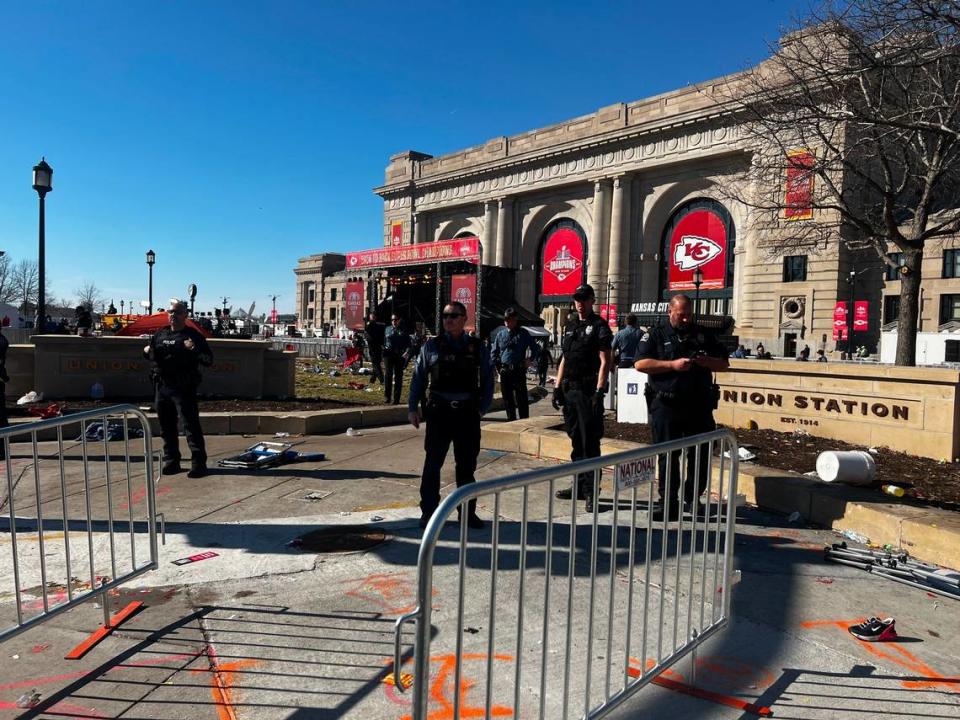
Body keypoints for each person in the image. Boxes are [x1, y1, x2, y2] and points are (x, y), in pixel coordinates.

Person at [634, 294, 730, 521]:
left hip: (698, 406)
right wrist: (672, 365)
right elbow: (640, 363)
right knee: (668, 456)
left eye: (689, 315)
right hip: (666, 404)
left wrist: (708, 362)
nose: (686, 319)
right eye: (681, 315)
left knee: (699, 456)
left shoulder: (703, 334)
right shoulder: (656, 334)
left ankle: (692, 499)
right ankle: (668, 502)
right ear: (670, 312)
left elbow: (724, 363)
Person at [408, 301, 494, 529]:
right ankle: (429, 513)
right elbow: (418, 377)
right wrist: (412, 407)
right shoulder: (432, 346)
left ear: (465, 319)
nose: (448, 319)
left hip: (467, 414)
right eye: (445, 316)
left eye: (454, 315)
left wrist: (482, 408)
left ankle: (467, 513)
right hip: (439, 413)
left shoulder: (477, 347)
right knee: (432, 465)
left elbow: (487, 380)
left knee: (466, 467)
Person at [552, 284, 613, 512]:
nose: (580, 302)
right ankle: (578, 485)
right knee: (576, 440)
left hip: (589, 392)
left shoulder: (599, 326)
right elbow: (565, 359)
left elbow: (605, 360)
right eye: (577, 298)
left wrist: (599, 390)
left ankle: (591, 491)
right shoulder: (570, 325)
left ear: (592, 300)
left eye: (584, 299)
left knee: (590, 443)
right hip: (570, 390)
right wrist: (558, 386)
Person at [144, 299, 213, 478]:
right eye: (170, 312)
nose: (172, 315)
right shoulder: (160, 334)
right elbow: (153, 354)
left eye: (177, 312)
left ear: (185, 315)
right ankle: (172, 461)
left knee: (190, 425)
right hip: (162, 386)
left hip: (183, 387)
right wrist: (146, 352)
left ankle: (199, 463)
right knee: (166, 426)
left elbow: (208, 360)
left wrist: (193, 349)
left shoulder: (193, 335)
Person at [490, 308, 539, 421]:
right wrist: (498, 367)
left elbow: (535, 348)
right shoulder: (500, 334)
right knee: (507, 399)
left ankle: (523, 421)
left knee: (521, 398)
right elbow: (494, 352)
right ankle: (510, 420)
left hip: (518, 370)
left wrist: (530, 359)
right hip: (505, 371)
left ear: (515, 320)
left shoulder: (523, 333)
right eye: (505, 319)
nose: (507, 322)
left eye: (509, 319)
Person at [383, 313, 412, 404]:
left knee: (398, 376)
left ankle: (396, 398)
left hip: (399, 355)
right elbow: (384, 340)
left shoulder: (404, 330)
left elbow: (408, 344)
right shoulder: (387, 329)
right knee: (388, 375)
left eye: (395, 320)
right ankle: (387, 397)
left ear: (399, 320)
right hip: (388, 354)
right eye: (392, 320)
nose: (394, 322)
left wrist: (406, 352)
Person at [364, 312, 386, 385]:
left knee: (376, 364)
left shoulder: (378, 325)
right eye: (371, 317)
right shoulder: (370, 325)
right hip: (373, 347)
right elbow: (367, 329)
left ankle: (374, 379)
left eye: (373, 317)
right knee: (376, 364)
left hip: (378, 347)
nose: (372, 318)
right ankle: (381, 379)